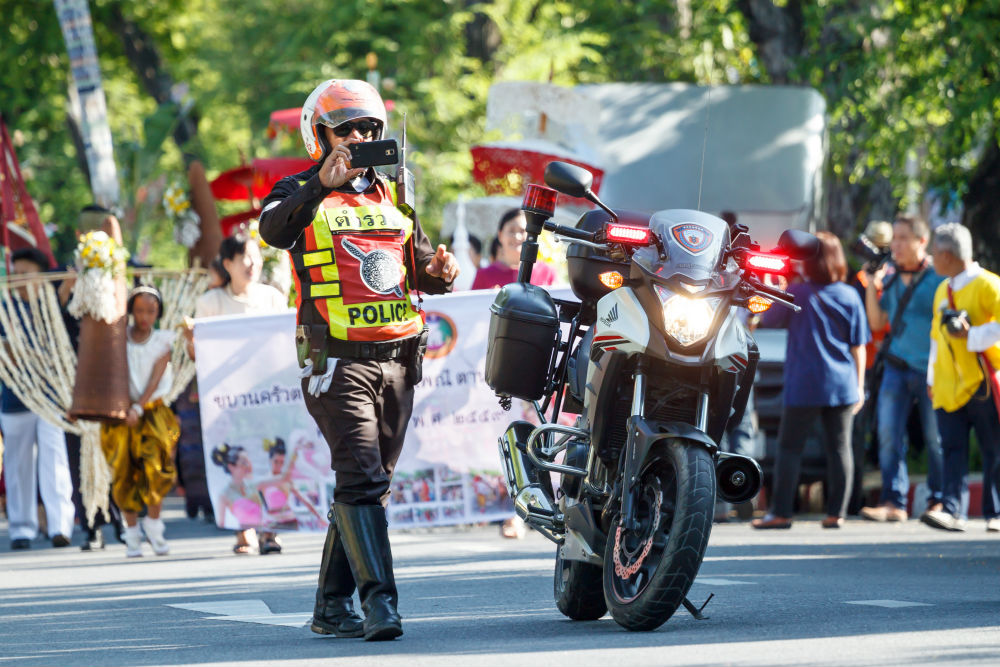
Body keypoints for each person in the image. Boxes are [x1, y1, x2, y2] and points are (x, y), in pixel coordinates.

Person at [259, 78, 457, 641]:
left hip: (399, 359)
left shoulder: (393, 193)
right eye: (347, 128)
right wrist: (320, 186)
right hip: (334, 362)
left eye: (370, 128)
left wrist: (440, 274)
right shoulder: (297, 187)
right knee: (364, 479)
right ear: (319, 134)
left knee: (367, 484)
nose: (360, 137)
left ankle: (329, 607)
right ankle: (381, 607)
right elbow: (273, 230)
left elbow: (416, 268)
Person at [752, 232, 870, 530]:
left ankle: (781, 513)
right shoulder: (849, 294)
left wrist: (775, 288)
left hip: (804, 383)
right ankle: (836, 513)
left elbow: (768, 320)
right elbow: (859, 346)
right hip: (842, 383)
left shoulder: (799, 293)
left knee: (790, 448)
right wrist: (859, 386)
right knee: (840, 448)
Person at [191, 231, 288, 554]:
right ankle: (242, 526)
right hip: (228, 403)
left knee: (267, 461)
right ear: (228, 262)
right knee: (237, 463)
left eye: (255, 257)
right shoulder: (209, 303)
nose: (252, 264)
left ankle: (269, 529)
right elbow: (197, 353)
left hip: (266, 398)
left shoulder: (272, 299)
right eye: (245, 257)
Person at [858, 215, 944, 523]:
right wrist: (871, 286)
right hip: (896, 366)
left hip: (931, 369)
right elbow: (878, 323)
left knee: (936, 438)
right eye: (894, 238)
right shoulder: (890, 276)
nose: (895, 245)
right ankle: (893, 501)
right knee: (888, 434)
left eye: (903, 239)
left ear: (922, 242)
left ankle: (939, 500)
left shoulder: (938, 277)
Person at [922, 223, 1000, 533]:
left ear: (947, 255)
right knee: (952, 448)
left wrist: (973, 336)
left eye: (934, 254)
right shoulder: (943, 288)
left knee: (993, 448)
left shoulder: (989, 285)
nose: (931, 259)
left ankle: (996, 513)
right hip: (947, 384)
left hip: (981, 383)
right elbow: (935, 338)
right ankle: (952, 509)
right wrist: (930, 377)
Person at [0, 247, 76, 549]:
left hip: (51, 397)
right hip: (15, 397)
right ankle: (22, 528)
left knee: (55, 459)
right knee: (17, 463)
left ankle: (60, 526)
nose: (19, 278)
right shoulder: (6, 307)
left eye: (25, 272)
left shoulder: (52, 303)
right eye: (15, 273)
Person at [100, 286, 180, 557]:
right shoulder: (117, 338)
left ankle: (154, 526)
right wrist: (124, 408)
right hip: (121, 416)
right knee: (123, 471)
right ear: (131, 312)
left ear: (158, 312)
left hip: (153, 413)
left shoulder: (163, 341)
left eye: (151, 311)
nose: (145, 316)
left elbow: (156, 378)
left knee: (156, 469)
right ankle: (131, 533)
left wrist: (138, 406)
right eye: (139, 310)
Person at [471, 208, 557, 289]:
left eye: (522, 231)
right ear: (500, 235)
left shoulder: (547, 272)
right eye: (511, 231)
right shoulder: (484, 275)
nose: (517, 237)